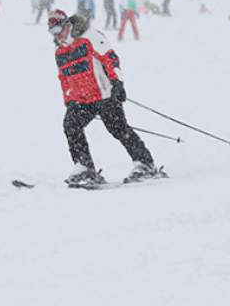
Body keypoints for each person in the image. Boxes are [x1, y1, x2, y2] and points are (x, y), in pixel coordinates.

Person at [48, 10, 157, 185]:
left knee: (117, 128)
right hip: (81, 100)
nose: (56, 36)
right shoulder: (59, 51)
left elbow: (110, 58)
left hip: (105, 94)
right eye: (52, 33)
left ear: (67, 25)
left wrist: (118, 83)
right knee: (71, 125)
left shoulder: (89, 37)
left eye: (58, 30)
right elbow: (64, 78)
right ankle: (84, 167)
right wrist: (68, 100)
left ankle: (145, 163)